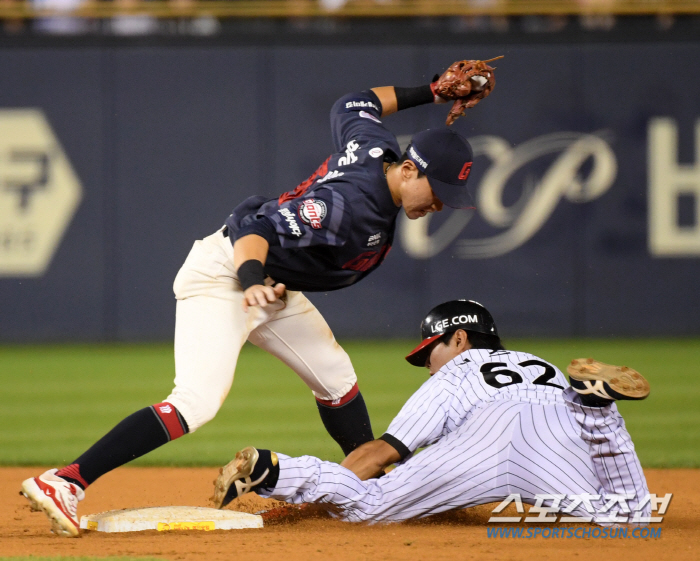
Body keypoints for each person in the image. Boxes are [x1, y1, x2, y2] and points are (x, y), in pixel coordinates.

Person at [21, 68, 483, 537]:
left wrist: (432, 92)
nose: (439, 204)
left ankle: (378, 490)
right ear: (409, 170)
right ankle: (65, 481)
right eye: (438, 191)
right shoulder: (346, 207)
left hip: (272, 286)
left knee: (337, 378)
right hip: (228, 275)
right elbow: (255, 225)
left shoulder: (375, 149)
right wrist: (249, 279)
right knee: (195, 402)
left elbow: (352, 102)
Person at [211, 299, 652, 525]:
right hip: (559, 425)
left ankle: (275, 470)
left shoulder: (457, 371)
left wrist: (316, 501)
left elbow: (384, 452)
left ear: (459, 339)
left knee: (370, 506)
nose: (428, 366)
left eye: (429, 353)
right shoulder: (542, 366)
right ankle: (602, 410)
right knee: (628, 516)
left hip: (488, 433)